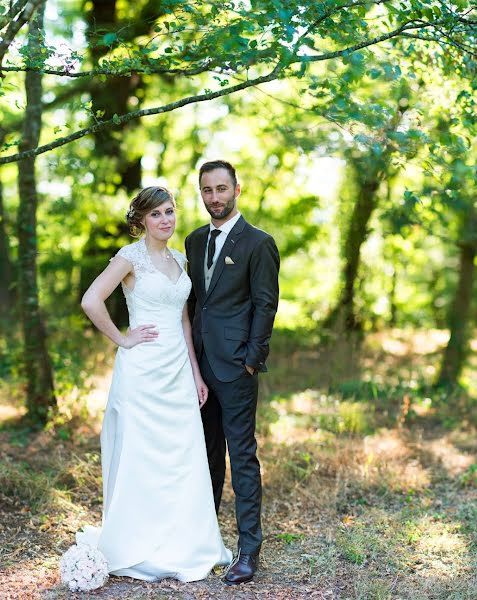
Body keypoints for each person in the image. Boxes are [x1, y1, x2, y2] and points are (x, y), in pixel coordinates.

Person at [79, 186, 232, 582]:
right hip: (142, 370)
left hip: (178, 370)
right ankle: (136, 542)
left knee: (182, 455)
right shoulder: (129, 258)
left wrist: (197, 374)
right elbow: (91, 300)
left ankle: (186, 543)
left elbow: (184, 321)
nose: (166, 220)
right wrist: (123, 338)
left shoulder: (181, 260)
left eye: (170, 212)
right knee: (141, 454)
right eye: (157, 214)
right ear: (142, 220)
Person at [185, 160, 280, 585]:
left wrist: (251, 360)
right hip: (197, 368)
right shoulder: (192, 240)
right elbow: (194, 303)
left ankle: (248, 551)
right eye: (207, 190)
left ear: (237, 189)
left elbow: (266, 304)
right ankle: (205, 543)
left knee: (241, 457)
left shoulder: (258, 243)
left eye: (222, 189)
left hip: (237, 367)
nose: (215, 198)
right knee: (204, 458)